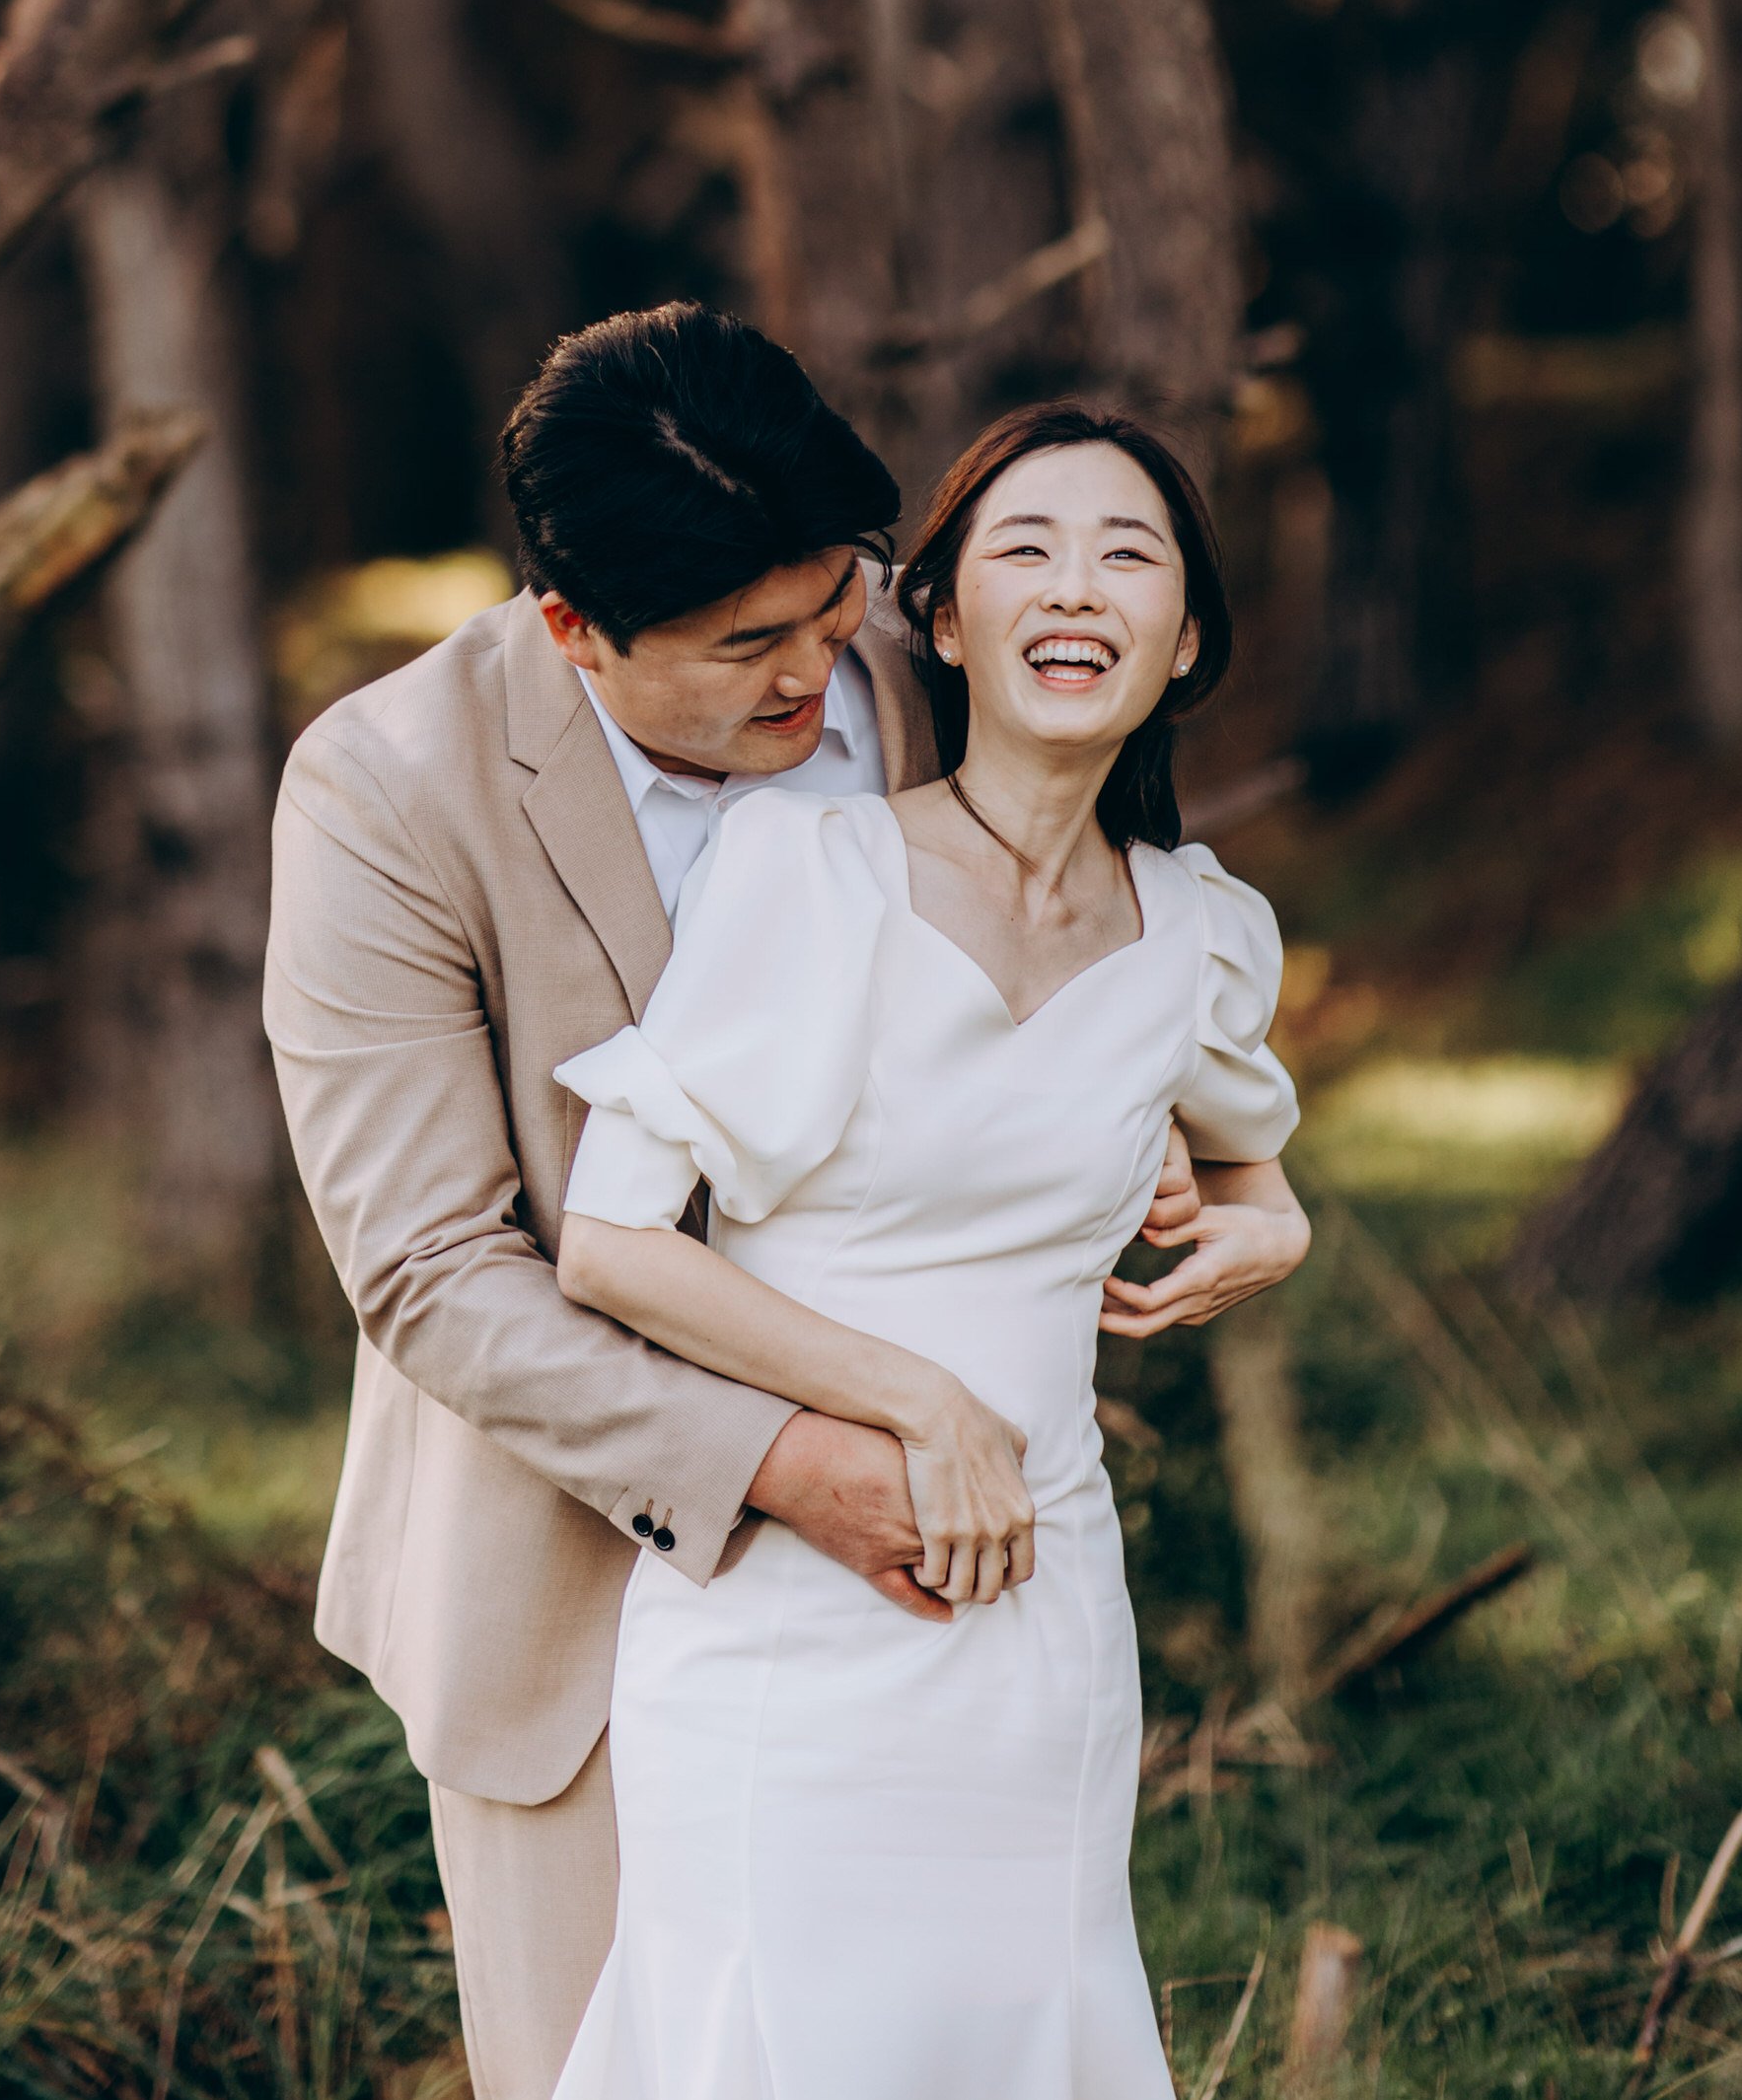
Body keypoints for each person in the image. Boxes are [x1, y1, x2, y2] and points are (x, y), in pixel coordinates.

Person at [263, 307, 1215, 2096]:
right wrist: (787, 1460)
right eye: (741, 646)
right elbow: (433, 1267)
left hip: (946, 1590)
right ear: (572, 629)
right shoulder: (386, 788)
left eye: (832, 600)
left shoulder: (919, 671)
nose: (811, 671)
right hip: (569, 1594)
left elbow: (1076, 951)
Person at [547, 400, 1309, 2100]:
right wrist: (923, 1404)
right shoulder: (810, 869)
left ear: (1184, 643)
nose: (1076, 587)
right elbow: (611, 1244)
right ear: (946, 623)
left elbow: (1256, 1169)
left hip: (1043, 1634)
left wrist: (1272, 1224)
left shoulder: (1198, 933)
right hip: (789, 1621)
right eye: (1024, 549)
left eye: (1129, 556)